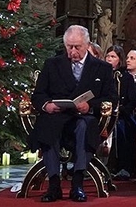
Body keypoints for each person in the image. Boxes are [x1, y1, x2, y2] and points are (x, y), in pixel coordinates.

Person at [28, 25, 117, 203]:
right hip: (56, 115)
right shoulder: (52, 64)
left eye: (77, 47)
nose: (73, 51)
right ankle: (54, 184)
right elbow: (38, 95)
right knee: (47, 125)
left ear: (87, 45)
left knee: (85, 126)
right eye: (69, 47)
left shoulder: (102, 68)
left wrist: (90, 105)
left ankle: (77, 183)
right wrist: (47, 105)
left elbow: (111, 99)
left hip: (84, 117)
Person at [104, 46, 136, 180]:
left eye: (113, 57)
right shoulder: (101, 74)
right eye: (108, 56)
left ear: (119, 60)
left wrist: (121, 111)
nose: (109, 59)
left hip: (122, 116)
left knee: (122, 131)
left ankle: (123, 167)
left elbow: (133, 100)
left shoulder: (126, 77)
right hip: (104, 114)